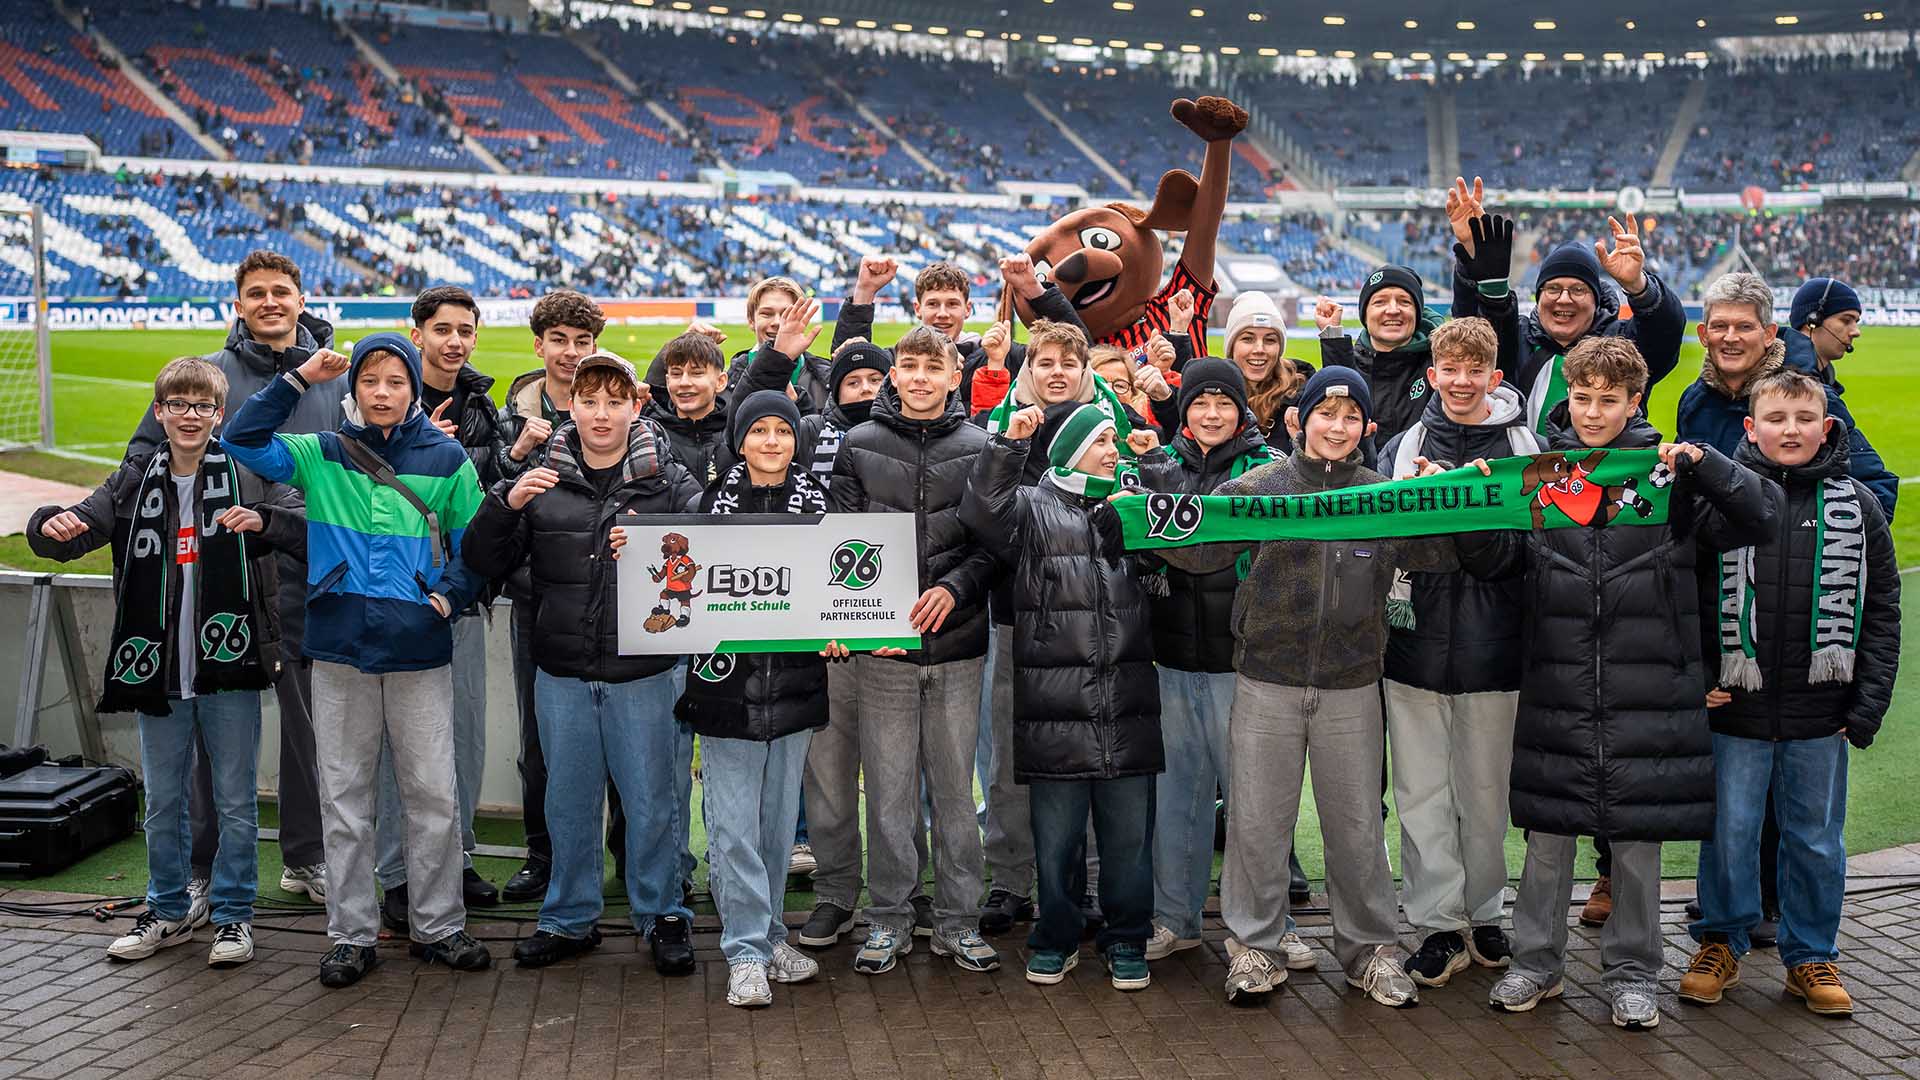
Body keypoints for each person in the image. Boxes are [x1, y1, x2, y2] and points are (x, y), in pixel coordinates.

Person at [1459, 336, 1769, 1030]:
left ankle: (1633, 973)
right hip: (1559, 684)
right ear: (1567, 395)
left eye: (1609, 399)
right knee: (1549, 840)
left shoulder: (1671, 479)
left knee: (1636, 842)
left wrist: (1707, 463)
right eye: (1583, 397)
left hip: (1648, 690)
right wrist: (1482, 506)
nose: (1593, 411)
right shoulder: (1536, 473)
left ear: (1636, 401)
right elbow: (1497, 565)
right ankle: (1536, 964)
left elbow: (1761, 516)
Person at [1153, 367, 1458, 1009]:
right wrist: (1141, 502)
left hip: (1352, 685)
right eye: (1326, 414)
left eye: (1351, 419)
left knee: (1355, 826)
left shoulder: (1380, 496)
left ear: (1366, 428)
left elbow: (1437, 555)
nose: (1338, 428)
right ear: (1301, 420)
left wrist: (1441, 495)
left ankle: (1370, 950)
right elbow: (1195, 549)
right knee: (1258, 823)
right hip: (1267, 679)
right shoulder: (1260, 487)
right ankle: (1255, 949)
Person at [222, 333, 491, 989]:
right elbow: (241, 438)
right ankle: (350, 935)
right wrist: (297, 378)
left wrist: (446, 600)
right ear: (353, 390)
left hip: (418, 650)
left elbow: (477, 545)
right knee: (344, 800)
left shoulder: (447, 456)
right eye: (369, 381)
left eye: (394, 381)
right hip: (339, 649)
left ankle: (438, 926)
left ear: (410, 390)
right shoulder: (323, 454)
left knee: (433, 796)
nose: (382, 392)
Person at [33, 356, 302, 968]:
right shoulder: (132, 481)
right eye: (176, 405)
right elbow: (72, 532)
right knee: (162, 801)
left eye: (202, 406)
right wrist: (49, 524)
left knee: (235, 801)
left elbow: (302, 524)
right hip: (155, 669)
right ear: (159, 413)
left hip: (228, 666)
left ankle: (233, 916)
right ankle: (167, 909)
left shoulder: (248, 473)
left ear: (219, 414)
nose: (189, 416)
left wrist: (267, 520)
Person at [462, 353, 705, 975]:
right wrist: (506, 501)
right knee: (567, 803)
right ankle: (569, 918)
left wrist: (657, 539)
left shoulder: (671, 484)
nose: (601, 414)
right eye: (589, 401)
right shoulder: (538, 479)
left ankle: (662, 915)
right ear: (570, 405)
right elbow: (483, 557)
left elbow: (707, 557)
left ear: (636, 405)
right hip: (562, 672)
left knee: (652, 804)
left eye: (614, 401)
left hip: (645, 671)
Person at [1677, 370, 1899, 1019]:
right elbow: (1682, 598)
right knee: (1729, 831)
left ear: (1827, 427)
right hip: (1735, 709)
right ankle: (1721, 940)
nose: (1791, 430)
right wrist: (1698, 678)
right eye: (1776, 419)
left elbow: (1883, 608)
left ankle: (1809, 954)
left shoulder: (1857, 505)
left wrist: (1865, 707)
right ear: (1751, 428)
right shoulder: (1720, 501)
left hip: (1819, 711)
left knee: (1815, 840)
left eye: (1805, 419)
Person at [127, 250, 337, 909]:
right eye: (256, 293)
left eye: (281, 291)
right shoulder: (209, 375)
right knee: (207, 731)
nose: (270, 301)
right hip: (215, 580)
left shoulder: (339, 378)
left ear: (302, 300)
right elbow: (142, 457)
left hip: (307, 572)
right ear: (238, 304)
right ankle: (202, 870)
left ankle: (305, 857)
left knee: (308, 729)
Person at [963, 400, 1163, 991]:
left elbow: (1181, 540)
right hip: (1055, 708)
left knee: (1128, 843)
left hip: (1127, 703)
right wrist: (1008, 447)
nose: (1114, 449)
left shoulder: (1129, 506)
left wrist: (1155, 474)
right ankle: (1054, 936)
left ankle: (1127, 939)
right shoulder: (1031, 506)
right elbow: (981, 510)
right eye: (1103, 440)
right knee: (1056, 843)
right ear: (1073, 447)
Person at [1131, 358, 1320, 970]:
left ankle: (1272, 925)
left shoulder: (1268, 469)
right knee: (1177, 799)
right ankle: (1175, 918)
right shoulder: (1154, 462)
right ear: (1183, 409)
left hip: (1243, 663)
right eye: (1200, 404)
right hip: (1169, 657)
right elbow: (1151, 545)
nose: (1212, 415)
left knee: (1254, 804)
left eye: (1224, 403)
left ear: (1242, 409)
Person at [827, 325, 1001, 976]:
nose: (922, 376)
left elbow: (995, 547)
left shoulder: (981, 447)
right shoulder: (858, 444)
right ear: (893, 375)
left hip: (957, 649)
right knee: (891, 795)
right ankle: (890, 919)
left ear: (956, 375)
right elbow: (838, 544)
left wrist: (955, 590)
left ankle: (958, 922)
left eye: (935, 365)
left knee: (956, 796)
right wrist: (855, 617)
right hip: (883, 654)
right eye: (910, 365)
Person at [1375, 317, 1542, 988]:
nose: (1463, 381)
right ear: (1434, 375)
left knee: (1484, 794)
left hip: (1495, 650)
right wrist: (1422, 500)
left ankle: (1485, 911)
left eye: (1477, 370)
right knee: (1420, 794)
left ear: (1495, 378)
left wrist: (1465, 506)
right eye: (1452, 369)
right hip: (1412, 645)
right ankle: (1437, 922)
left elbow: (1529, 551)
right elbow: (1383, 538)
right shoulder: (1404, 444)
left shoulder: (1528, 446)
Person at [736, 308, 909, 947]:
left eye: (875, 382)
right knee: (830, 782)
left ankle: (896, 901)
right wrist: (779, 356)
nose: (865, 392)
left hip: (894, 635)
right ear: (831, 391)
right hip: (828, 637)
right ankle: (837, 892)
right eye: (852, 382)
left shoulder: (926, 436)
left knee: (894, 783)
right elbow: (750, 413)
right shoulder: (807, 435)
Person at [673, 390, 836, 1008]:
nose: (772, 441)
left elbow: (842, 591)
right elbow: (670, 581)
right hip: (726, 692)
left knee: (772, 831)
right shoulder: (707, 506)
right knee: (734, 829)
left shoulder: (822, 506)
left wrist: (843, 630)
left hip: (794, 689)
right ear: (739, 441)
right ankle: (742, 951)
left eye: (783, 431)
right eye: (759, 431)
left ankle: (769, 937)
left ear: (797, 440)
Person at [492, 291, 652, 905]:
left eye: (582, 342)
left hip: (618, 603)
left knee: (626, 742)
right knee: (543, 742)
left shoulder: (631, 417)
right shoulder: (512, 418)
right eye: (558, 340)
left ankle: (626, 854)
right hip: (542, 603)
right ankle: (544, 855)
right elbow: (490, 512)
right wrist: (513, 457)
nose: (570, 352)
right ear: (539, 346)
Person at [376, 285, 501, 932]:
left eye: (465, 330)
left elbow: (494, 495)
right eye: (443, 328)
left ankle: (457, 857)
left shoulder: (483, 403)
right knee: (402, 750)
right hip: (399, 596)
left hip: (464, 594)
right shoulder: (384, 394)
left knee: (465, 738)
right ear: (417, 330)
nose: (455, 340)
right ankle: (398, 873)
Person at [1445, 178, 1686, 433]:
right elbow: (1469, 331)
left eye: (1578, 290)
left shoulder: (1620, 345)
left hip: (1599, 472)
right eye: (1553, 288)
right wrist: (1472, 255)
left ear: (1596, 300)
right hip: (1521, 471)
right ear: (1539, 297)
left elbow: (1665, 333)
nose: (1564, 299)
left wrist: (1638, 285)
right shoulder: (1517, 338)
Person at [1783, 277, 1895, 518]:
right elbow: (1879, 490)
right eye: (1846, 320)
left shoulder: (1810, 379)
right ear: (1812, 321)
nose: (1856, 331)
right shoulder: (1812, 392)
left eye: (1856, 321)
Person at [1317, 265, 1441, 445]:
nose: (1392, 310)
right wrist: (1332, 336)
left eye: (1404, 302)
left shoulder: (1440, 363)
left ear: (1417, 314)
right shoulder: (1349, 364)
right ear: (1365, 315)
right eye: (1380, 302)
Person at [719, 275, 833, 411]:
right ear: (751, 320)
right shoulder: (725, 380)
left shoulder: (826, 380)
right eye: (767, 314)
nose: (777, 323)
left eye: (787, 313)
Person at [644, 331, 736, 488]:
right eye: (676, 374)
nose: (684, 382)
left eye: (697, 373)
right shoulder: (650, 433)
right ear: (667, 381)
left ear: (720, 382)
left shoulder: (737, 431)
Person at [1223, 290, 1310, 452]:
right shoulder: (1213, 395)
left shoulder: (1303, 398)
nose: (1259, 349)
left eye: (1270, 340)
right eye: (1248, 339)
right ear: (1231, 346)